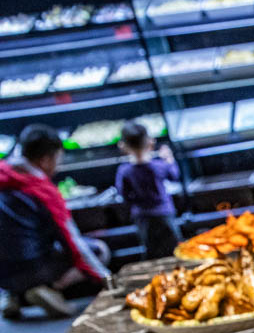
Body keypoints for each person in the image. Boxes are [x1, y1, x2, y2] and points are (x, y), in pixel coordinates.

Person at [0, 124, 111, 319]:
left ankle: (12, 296)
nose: (58, 165)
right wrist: (107, 279)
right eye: (58, 158)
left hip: (3, 274)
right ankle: (48, 289)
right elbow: (74, 243)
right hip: (34, 269)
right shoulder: (44, 193)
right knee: (99, 250)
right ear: (45, 160)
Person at [117, 121, 182, 261]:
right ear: (150, 143)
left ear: (123, 146)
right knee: (175, 249)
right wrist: (169, 158)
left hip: (142, 216)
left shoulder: (124, 171)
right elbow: (174, 175)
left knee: (151, 251)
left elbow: (124, 195)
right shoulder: (159, 166)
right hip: (164, 212)